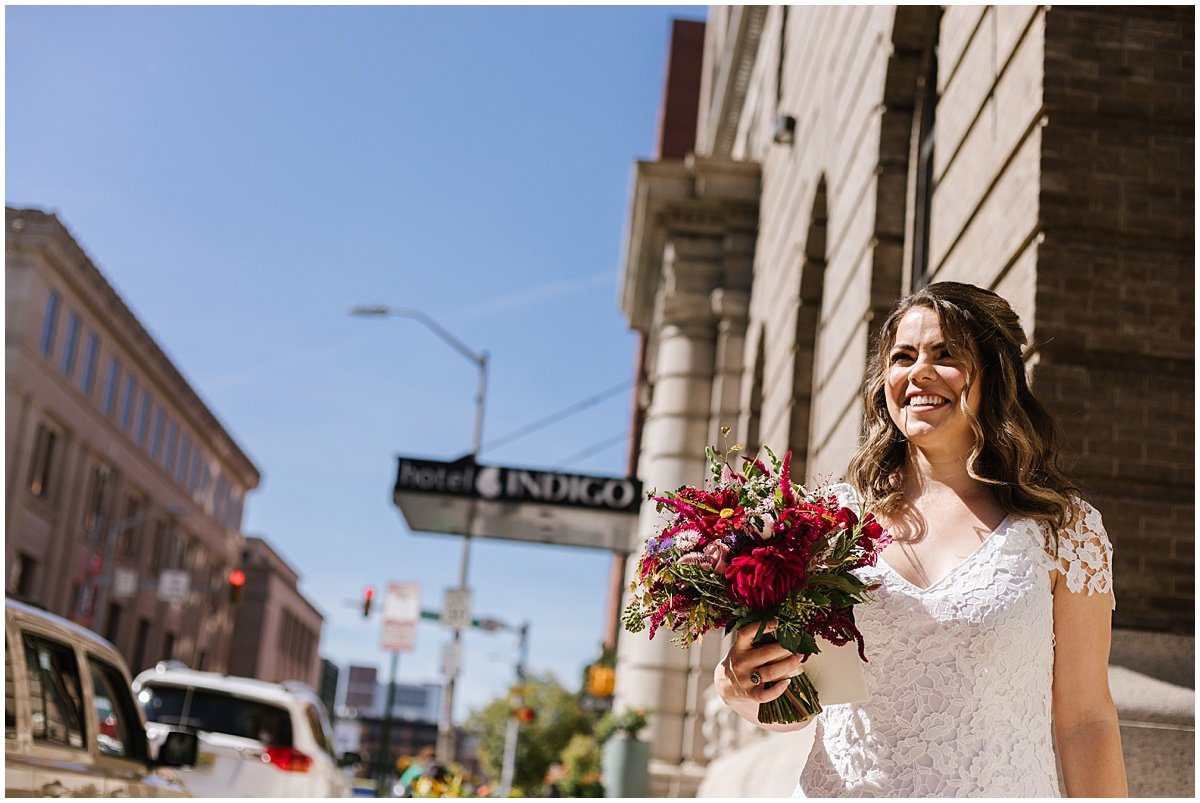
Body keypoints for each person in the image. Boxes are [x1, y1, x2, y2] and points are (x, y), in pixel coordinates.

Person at [714, 282, 1127, 797]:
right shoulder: (827, 523)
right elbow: (794, 706)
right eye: (903, 356)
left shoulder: (1065, 531)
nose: (919, 372)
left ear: (995, 377)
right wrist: (741, 686)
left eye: (946, 354)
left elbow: (1085, 719)